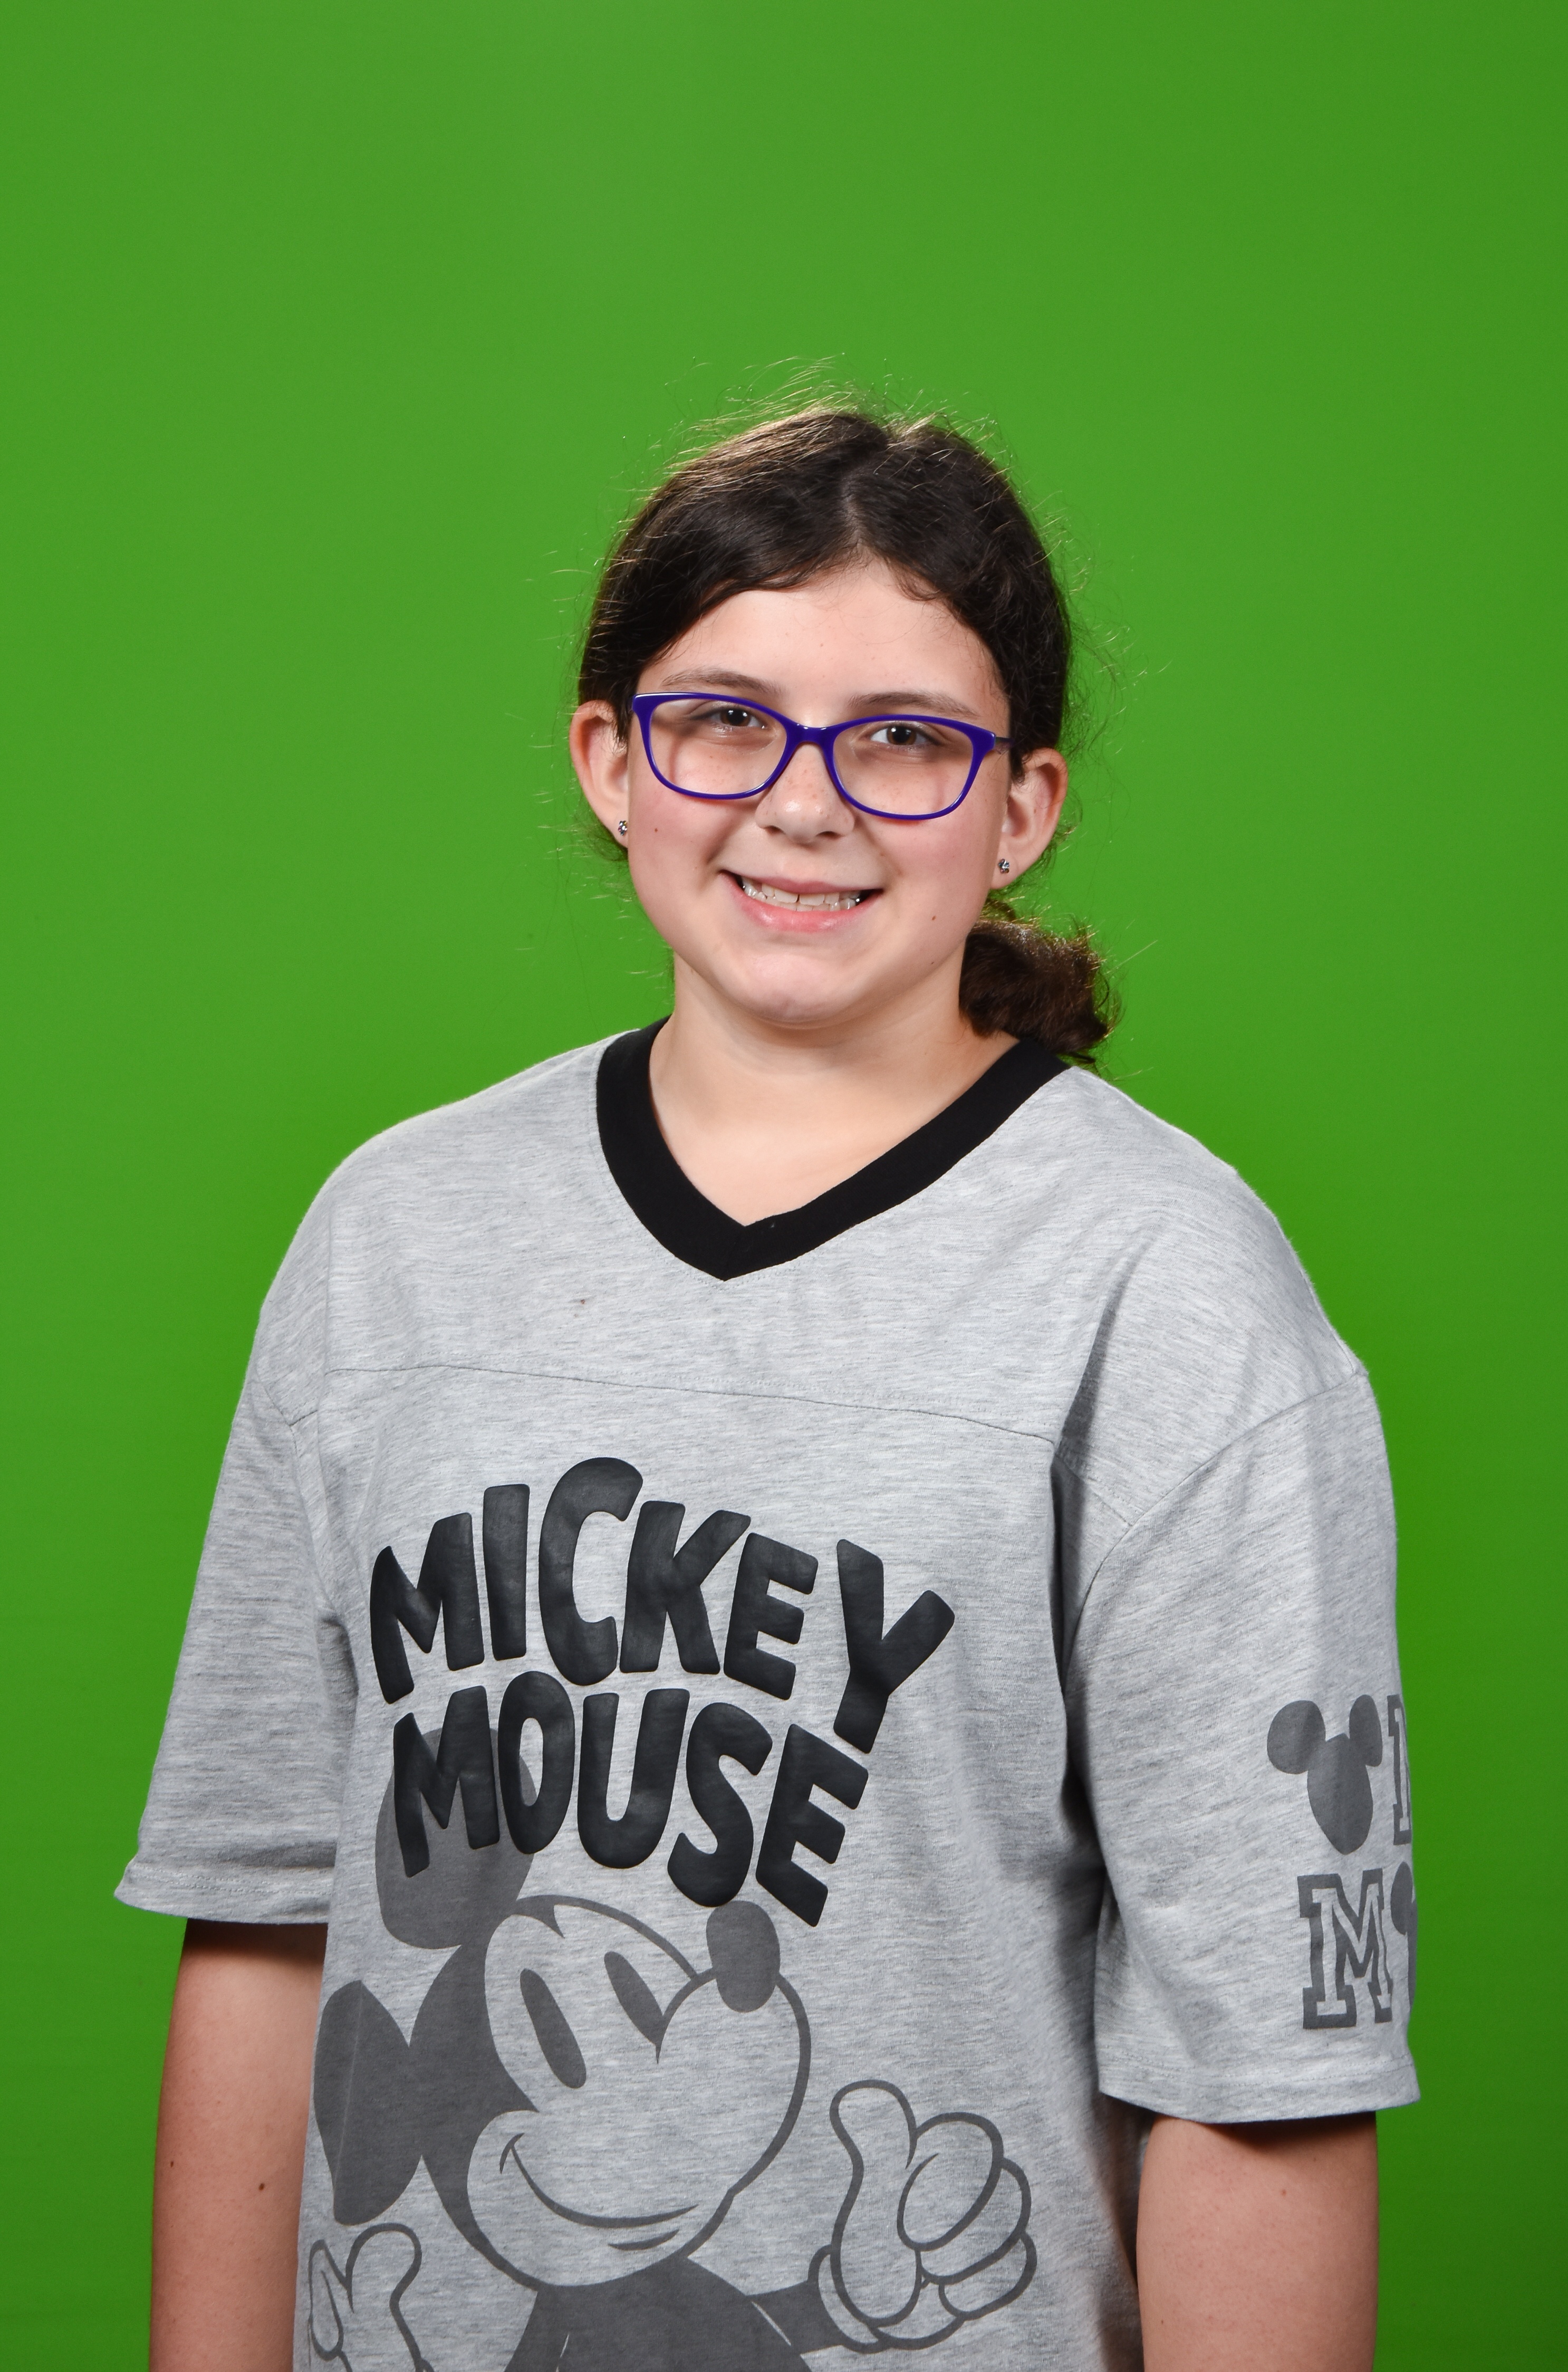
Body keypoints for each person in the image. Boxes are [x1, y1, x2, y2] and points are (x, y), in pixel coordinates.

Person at [123, 406, 1417, 2372]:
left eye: (903, 740)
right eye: (726, 720)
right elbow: (267, 1925)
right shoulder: (394, 1240)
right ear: (610, 764)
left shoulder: (1166, 1290)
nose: (806, 805)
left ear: (1022, 809)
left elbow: (1264, 2071)